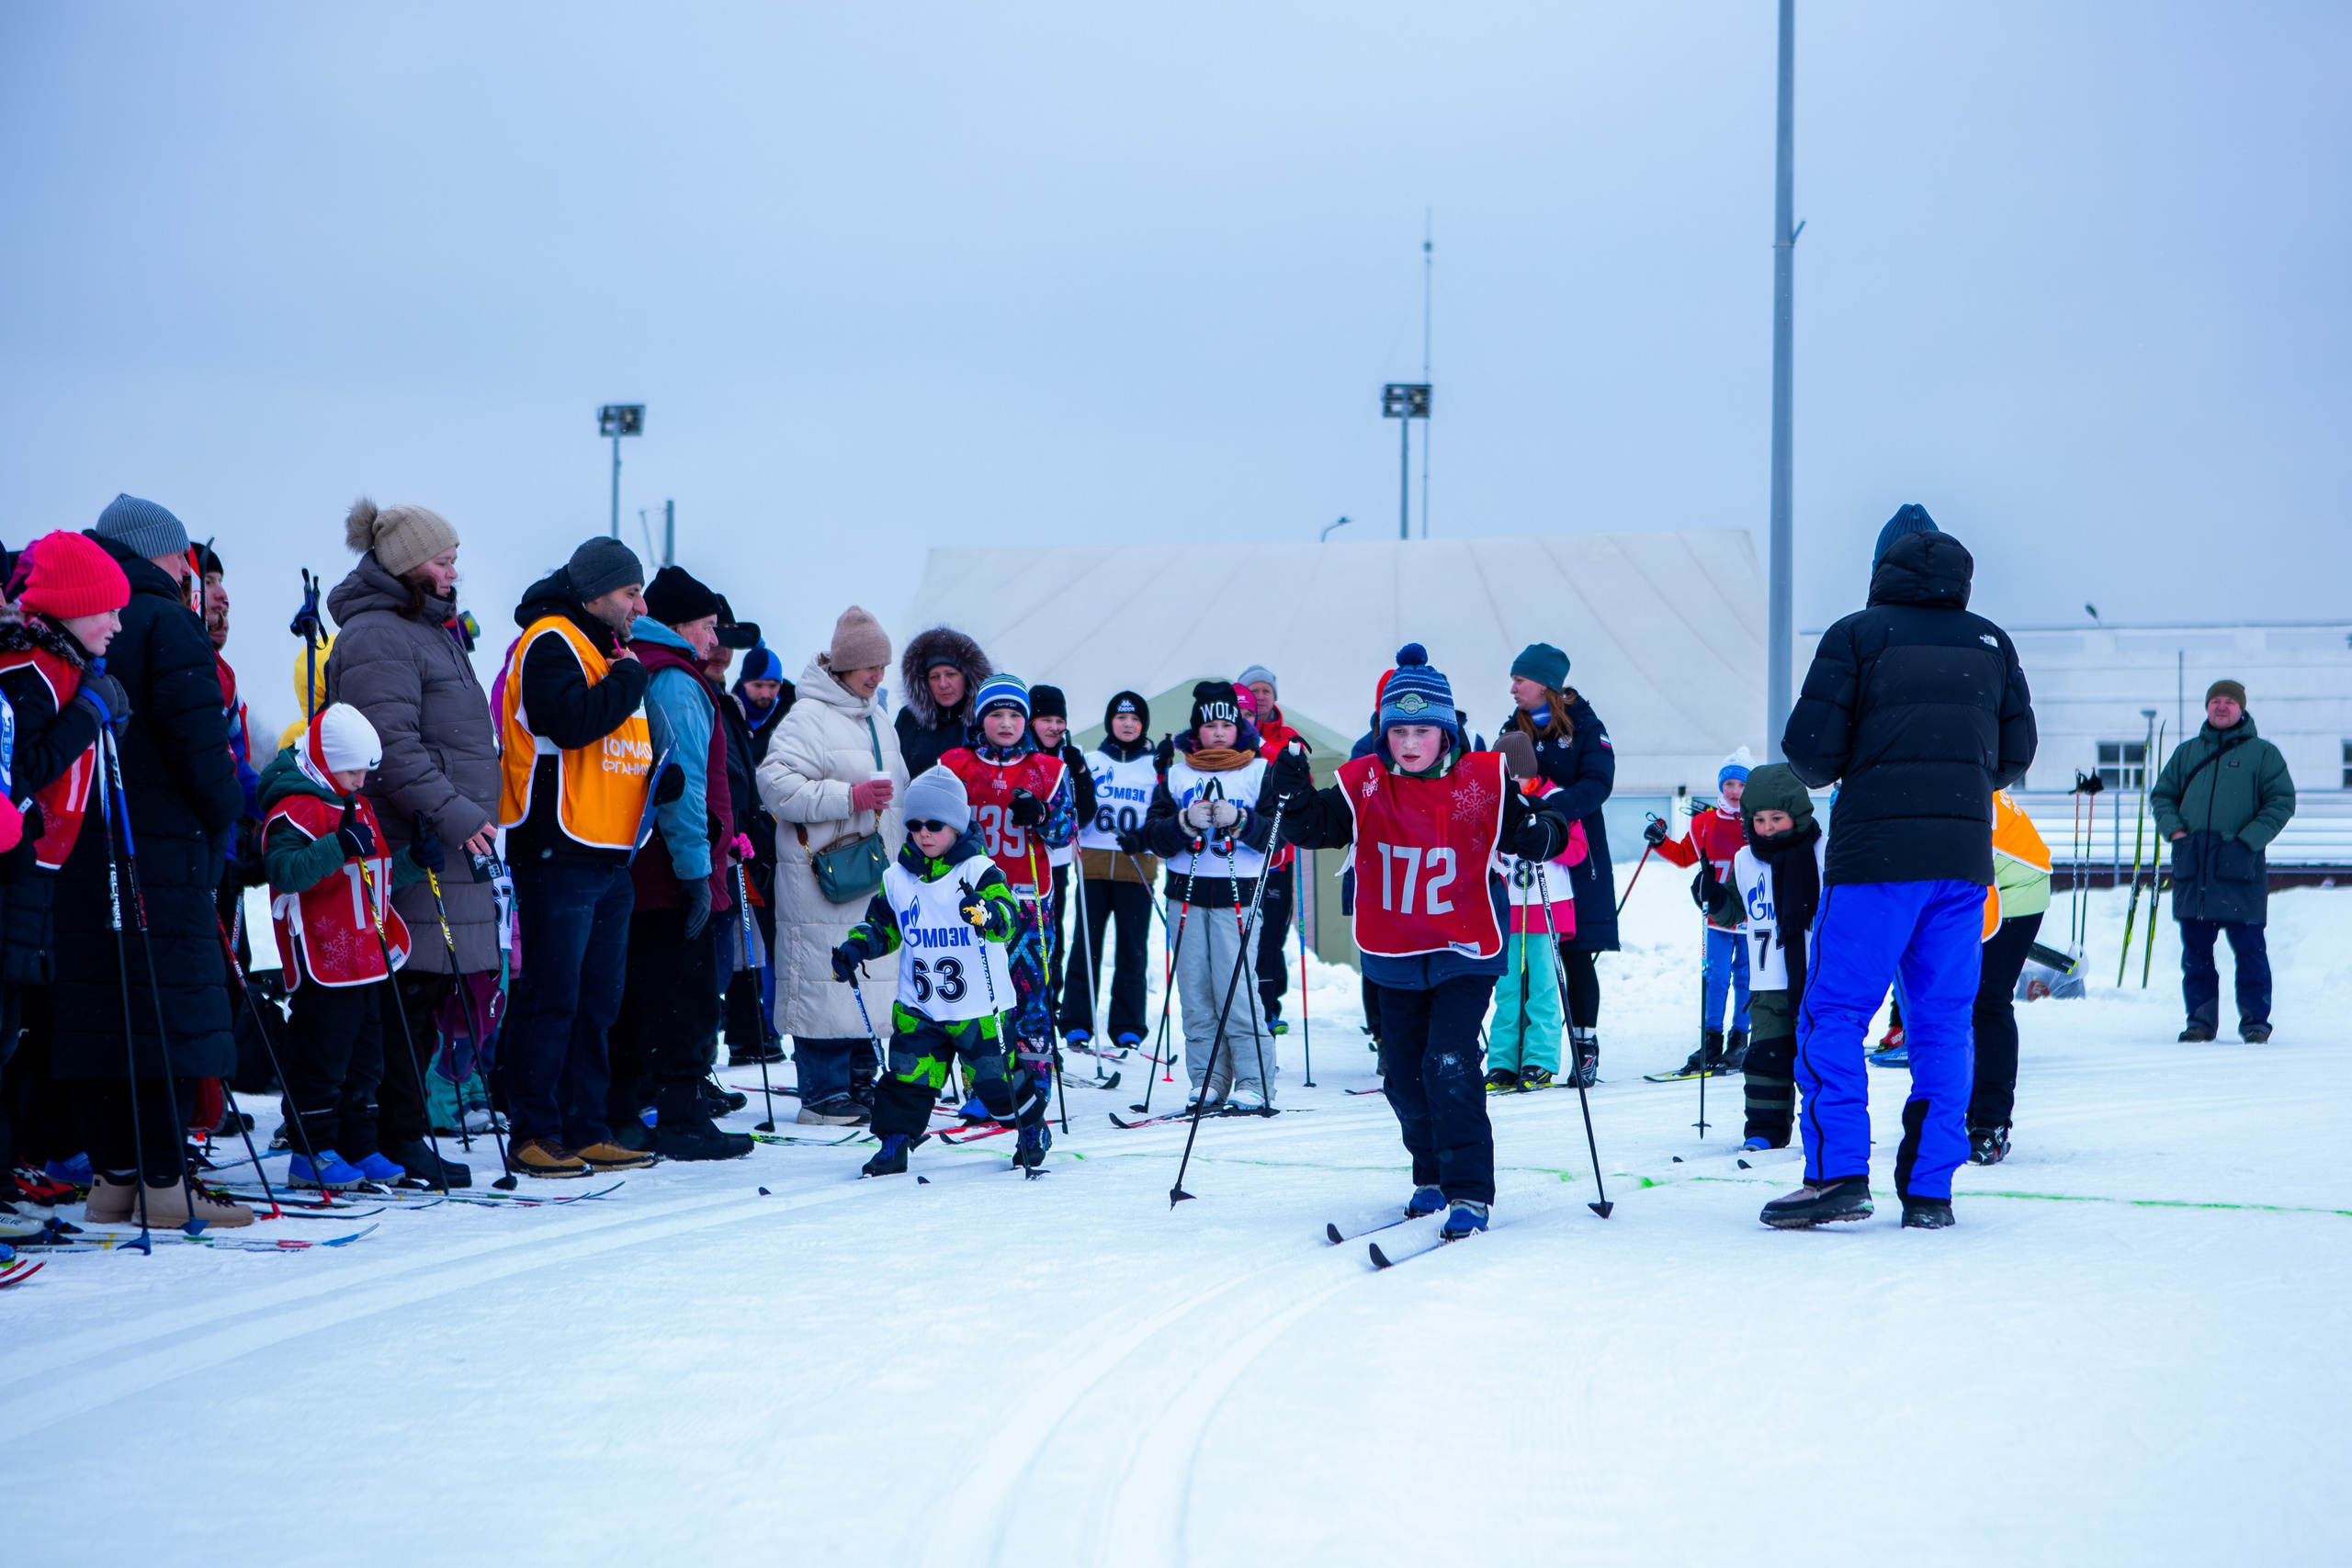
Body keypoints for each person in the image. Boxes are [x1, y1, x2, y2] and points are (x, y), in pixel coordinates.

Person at [1773, 506, 2036, 1230]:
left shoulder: (1858, 635)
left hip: (1874, 865)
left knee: (1834, 1013)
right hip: (1960, 865)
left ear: (1881, 567)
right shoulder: (1991, 642)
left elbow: (1811, 755)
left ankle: (1836, 1175)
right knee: (1943, 1023)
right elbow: (2014, 758)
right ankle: (1930, 1190)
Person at [1267, 644, 1572, 1241]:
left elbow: (1537, 831)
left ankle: (1468, 1190)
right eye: (1398, 730)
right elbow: (1313, 827)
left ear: (1446, 730)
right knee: (1403, 1075)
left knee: (1449, 1061)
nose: (1410, 742)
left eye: (1423, 730)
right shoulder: (1367, 782)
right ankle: (1429, 1172)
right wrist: (1294, 792)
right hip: (1395, 948)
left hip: (1464, 947)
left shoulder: (1482, 779)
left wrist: (1544, 830)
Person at [55, 496, 253, 1229]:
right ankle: (168, 1184)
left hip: (79, 842)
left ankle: (114, 1178)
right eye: (182, 559)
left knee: (102, 1006)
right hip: (161, 846)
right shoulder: (169, 621)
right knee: (169, 1010)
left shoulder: (76, 618)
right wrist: (227, 812)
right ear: (159, 555)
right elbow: (203, 750)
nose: (188, 571)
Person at [323, 498, 494, 1188]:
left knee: (422, 996)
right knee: (407, 997)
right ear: (404, 565)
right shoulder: (379, 636)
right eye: (442, 559)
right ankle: (396, 1132)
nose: (454, 570)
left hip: (442, 839)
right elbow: (387, 747)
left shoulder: (425, 627)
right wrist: (454, 812)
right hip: (412, 840)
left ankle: (400, 1126)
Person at [494, 537, 661, 1179]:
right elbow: (565, 721)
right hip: (556, 847)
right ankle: (534, 1129)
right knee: (552, 995)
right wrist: (626, 681)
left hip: (609, 850)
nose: (638, 605)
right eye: (629, 592)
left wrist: (656, 780)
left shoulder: (609, 652)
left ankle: (584, 1126)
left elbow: (613, 745)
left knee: (597, 1001)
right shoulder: (552, 639)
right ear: (594, 591)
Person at [604, 566, 752, 1161]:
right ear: (679, 624)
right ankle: (682, 1117)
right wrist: (696, 871)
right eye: (709, 626)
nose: (715, 641)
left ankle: (630, 1109)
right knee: (683, 997)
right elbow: (681, 781)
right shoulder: (674, 680)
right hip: (672, 872)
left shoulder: (647, 665)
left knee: (646, 997)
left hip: (652, 870)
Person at [261, 705, 441, 1185]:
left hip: (366, 957)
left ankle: (358, 1145)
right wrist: (337, 845)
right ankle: (311, 1152)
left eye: (365, 769)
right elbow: (284, 872)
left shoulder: (354, 803)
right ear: (322, 758)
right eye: (351, 769)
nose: (361, 780)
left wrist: (414, 861)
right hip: (324, 956)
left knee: (365, 1059)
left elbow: (371, 875)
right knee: (322, 1057)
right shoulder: (295, 809)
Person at [831, 765, 1035, 1177]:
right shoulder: (898, 877)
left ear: (957, 827)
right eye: (916, 824)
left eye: (935, 825)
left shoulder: (978, 871)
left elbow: (1011, 917)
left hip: (978, 1008)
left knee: (996, 1084)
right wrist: (857, 945)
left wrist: (988, 913)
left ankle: (1030, 1129)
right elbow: (884, 926)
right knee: (906, 1078)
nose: (924, 833)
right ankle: (894, 1144)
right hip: (920, 1005)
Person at [0, 534, 119, 1210]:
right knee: (12, 1024)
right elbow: (23, 769)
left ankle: (22, 1158)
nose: (116, 624)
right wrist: (89, 713)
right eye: (106, 609)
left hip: (44, 870)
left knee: (29, 1020)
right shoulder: (32, 671)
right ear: (71, 607)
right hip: (19, 866)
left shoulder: (63, 667)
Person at [758, 606, 908, 1125]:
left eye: (883, 667)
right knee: (824, 979)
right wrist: (851, 796)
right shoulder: (807, 718)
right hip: (821, 878)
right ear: (843, 666)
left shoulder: (878, 718)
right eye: (869, 666)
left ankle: (859, 1082)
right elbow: (775, 786)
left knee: (865, 972)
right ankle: (822, 1093)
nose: (877, 676)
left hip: (872, 874)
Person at [1125, 681, 1278, 1111]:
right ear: (1197, 730)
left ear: (1239, 727)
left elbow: (1277, 837)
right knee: (1194, 991)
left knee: (1237, 989)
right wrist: (1184, 823)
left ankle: (1254, 1078)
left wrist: (1243, 821)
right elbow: (1154, 835)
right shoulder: (1178, 773)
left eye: (1225, 724)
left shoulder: (1257, 770)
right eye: (1208, 725)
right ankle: (1208, 1078)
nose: (1217, 733)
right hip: (1186, 895)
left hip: (1238, 895)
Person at [938, 674, 1074, 1133]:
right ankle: (986, 1092)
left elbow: (1067, 834)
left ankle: (1035, 1088)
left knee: (1029, 1000)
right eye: (996, 713)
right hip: (970, 899)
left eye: (1015, 714)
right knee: (979, 1001)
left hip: (1027, 900)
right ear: (981, 718)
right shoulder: (955, 764)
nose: (1006, 722)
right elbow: (934, 828)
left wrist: (1042, 816)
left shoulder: (1048, 770)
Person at [2150, 679, 2295, 1044]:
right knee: (2195, 954)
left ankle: (2255, 1024)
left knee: (2249, 951)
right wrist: (2177, 833)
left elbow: (2281, 802)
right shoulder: (2186, 753)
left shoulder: (2264, 754)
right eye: (2215, 701)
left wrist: (2248, 840)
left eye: (2229, 701)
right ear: (2207, 707)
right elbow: (2163, 796)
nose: (2221, 707)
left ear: (2241, 708)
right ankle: (2199, 1022)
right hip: (2193, 867)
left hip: (2239, 867)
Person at [1690, 764, 1826, 1151]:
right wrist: (1713, 896)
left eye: (1777, 818)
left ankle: (1828, 1133)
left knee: (1819, 1059)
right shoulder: (1747, 859)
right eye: (1759, 819)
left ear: (1797, 814)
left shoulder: (1822, 851)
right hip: (1767, 981)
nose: (1767, 827)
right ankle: (1764, 1131)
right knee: (1766, 1059)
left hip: (1817, 978)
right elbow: (1734, 910)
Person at [1500, 642, 1616, 1087]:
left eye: (1519, 680)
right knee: (1526, 959)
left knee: (1577, 952)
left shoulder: (1587, 725)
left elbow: (1598, 782)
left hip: (1577, 852)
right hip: (1527, 855)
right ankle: (1526, 1054)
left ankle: (1584, 1047)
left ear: (1545, 684)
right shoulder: (1514, 727)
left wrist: (1553, 811)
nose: (1512, 688)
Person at [1648, 750, 1757, 1077]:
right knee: (1716, 977)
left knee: (1748, 978)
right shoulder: (1705, 823)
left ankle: (1740, 1038)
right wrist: (1659, 841)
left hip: (1753, 917)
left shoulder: (1757, 820)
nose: (1734, 791)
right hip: (1717, 916)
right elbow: (1683, 855)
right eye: (1729, 784)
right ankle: (1711, 1037)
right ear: (1721, 786)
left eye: (1741, 784)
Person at [1062, 691, 1158, 1052]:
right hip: (1094, 868)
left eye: (1135, 719)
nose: (1128, 724)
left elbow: (1161, 813)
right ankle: (1076, 1021)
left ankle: (1128, 1024)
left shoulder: (1154, 766)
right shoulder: (1092, 760)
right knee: (1086, 946)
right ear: (1110, 722)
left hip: (1137, 868)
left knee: (1132, 951)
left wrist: (1145, 837)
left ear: (1143, 724)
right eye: (1121, 718)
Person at [1487, 766, 1588, 1091]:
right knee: (1507, 990)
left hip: (1547, 907)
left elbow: (1577, 851)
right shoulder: (1495, 799)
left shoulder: (1555, 801)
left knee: (1543, 986)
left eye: (1521, 774)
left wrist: (1547, 840)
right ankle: (1503, 1062)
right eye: (1508, 774)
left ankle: (1539, 1061)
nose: (1515, 781)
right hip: (1506, 908)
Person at [1966, 789, 2052, 1164]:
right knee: (1956, 1002)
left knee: (1986, 999)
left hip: (2015, 885)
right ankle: (1953, 1112)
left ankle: (1990, 1123)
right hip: (1980, 875)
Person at [1238, 663, 1304, 1035]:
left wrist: (1263, 746)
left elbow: (1301, 780)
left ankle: (1269, 1005)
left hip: (1279, 857)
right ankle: (1244, 1004)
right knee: (1243, 931)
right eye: (1254, 692)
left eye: (1266, 691)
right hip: (1240, 858)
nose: (1260, 697)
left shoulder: (1288, 736)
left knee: (1272, 935)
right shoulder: (1226, 735)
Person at [1025, 683, 1096, 1032]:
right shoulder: (1019, 754)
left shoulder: (1070, 756)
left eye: (1059, 720)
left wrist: (1081, 774)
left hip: (1057, 866)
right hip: (1021, 864)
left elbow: (1087, 813)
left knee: (1054, 941)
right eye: (1046, 720)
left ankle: (1048, 1016)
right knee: (1026, 943)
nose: (1054, 727)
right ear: (1031, 721)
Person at [894, 626, 990, 779]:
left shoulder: (988, 719)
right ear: (924, 682)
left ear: (967, 677)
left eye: (951, 674)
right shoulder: (909, 719)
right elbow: (893, 771)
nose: (943, 684)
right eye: (934, 677)